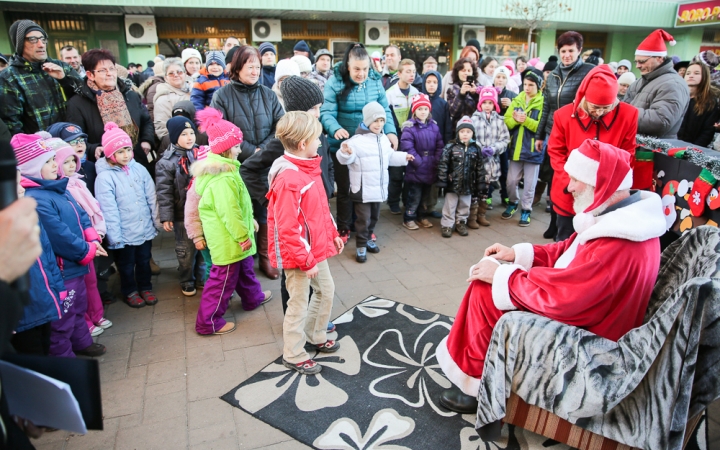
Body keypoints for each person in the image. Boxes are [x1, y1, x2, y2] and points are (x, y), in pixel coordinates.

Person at [435, 140, 667, 414]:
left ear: (600, 182)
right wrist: (517, 255)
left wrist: (502, 276)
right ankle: (482, 371)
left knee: (485, 292)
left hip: (588, 340)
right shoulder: (619, 217)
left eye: (576, 180)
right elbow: (568, 250)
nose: (568, 187)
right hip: (593, 316)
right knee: (493, 281)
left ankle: (473, 387)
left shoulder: (615, 241)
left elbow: (567, 300)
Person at [240, 76, 335, 328]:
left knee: (318, 277)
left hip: (314, 213)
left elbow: (326, 164)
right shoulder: (284, 143)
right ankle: (295, 323)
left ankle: (315, 322)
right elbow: (248, 170)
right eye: (314, 108)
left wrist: (330, 186)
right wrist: (268, 200)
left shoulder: (315, 132)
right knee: (294, 280)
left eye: (319, 108)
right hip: (295, 220)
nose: (318, 113)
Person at [12, 133, 107, 358]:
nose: (56, 165)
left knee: (77, 308)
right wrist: (86, 250)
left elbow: (82, 215)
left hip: (76, 264)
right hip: (65, 268)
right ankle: (67, 362)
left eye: (54, 159)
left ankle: (82, 341)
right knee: (62, 322)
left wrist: (91, 237)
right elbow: (59, 236)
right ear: (32, 168)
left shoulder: (58, 188)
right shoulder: (37, 199)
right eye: (48, 161)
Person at [267, 111, 343, 374]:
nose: (320, 143)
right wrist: (305, 259)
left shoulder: (307, 167)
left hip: (314, 249)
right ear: (302, 144)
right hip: (299, 255)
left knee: (326, 290)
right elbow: (288, 229)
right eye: (316, 139)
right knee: (298, 303)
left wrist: (333, 232)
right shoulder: (289, 178)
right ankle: (294, 353)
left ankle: (315, 334)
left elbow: (320, 207)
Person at [192, 107, 272, 335]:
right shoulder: (223, 179)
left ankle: (252, 297)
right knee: (222, 279)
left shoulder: (229, 170)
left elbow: (240, 206)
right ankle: (208, 322)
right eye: (237, 145)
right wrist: (242, 235)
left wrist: (251, 222)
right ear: (226, 150)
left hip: (236, 235)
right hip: (229, 239)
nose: (240, 149)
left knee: (245, 267)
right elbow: (229, 212)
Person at [211, 45, 285, 279]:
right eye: (249, 66)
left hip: (266, 163)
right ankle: (245, 259)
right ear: (237, 67)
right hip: (236, 163)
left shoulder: (268, 94)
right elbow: (218, 129)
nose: (255, 71)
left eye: (258, 67)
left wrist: (264, 150)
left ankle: (265, 255)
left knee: (265, 209)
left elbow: (280, 126)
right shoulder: (222, 95)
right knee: (241, 211)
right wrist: (250, 150)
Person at [548, 65, 639, 241]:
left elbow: (628, 153)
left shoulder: (629, 115)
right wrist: (572, 181)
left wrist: (612, 184)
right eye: (595, 107)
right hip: (571, 193)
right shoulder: (563, 115)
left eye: (606, 108)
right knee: (565, 241)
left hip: (608, 196)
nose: (599, 112)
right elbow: (556, 152)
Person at [320, 43, 398, 244]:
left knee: (367, 188)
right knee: (346, 190)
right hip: (345, 146)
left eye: (365, 69)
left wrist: (390, 132)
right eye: (356, 69)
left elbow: (384, 110)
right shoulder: (335, 81)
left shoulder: (374, 81)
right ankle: (344, 227)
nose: (361, 73)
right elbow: (326, 112)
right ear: (347, 65)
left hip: (371, 146)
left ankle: (364, 227)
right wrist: (335, 128)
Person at [535, 31, 594, 239]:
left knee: (576, 179)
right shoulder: (553, 76)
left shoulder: (588, 73)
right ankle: (554, 220)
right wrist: (540, 135)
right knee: (554, 178)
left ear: (579, 51)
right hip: (554, 133)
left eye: (571, 50)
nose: (567, 54)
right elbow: (546, 107)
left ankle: (574, 225)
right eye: (563, 51)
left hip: (578, 135)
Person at [95, 123, 160, 308]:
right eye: (120, 151)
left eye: (128, 150)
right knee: (126, 264)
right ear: (110, 154)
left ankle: (145, 287)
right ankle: (130, 290)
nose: (126, 155)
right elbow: (108, 209)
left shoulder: (138, 169)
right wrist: (114, 237)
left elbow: (151, 196)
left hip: (144, 228)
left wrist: (156, 222)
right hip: (124, 234)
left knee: (144, 260)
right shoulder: (105, 178)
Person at [336, 102, 412, 262]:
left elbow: (390, 156)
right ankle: (361, 245)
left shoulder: (383, 139)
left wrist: (403, 157)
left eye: (382, 121)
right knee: (363, 218)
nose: (379, 124)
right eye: (376, 121)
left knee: (374, 217)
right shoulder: (356, 141)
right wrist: (345, 152)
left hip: (378, 188)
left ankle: (368, 239)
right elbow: (345, 158)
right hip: (362, 190)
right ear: (368, 121)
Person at [52, 140, 113, 337]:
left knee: (92, 281)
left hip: (91, 237)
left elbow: (92, 210)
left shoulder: (79, 182)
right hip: (78, 244)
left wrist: (97, 233)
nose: (71, 165)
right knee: (79, 287)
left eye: (73, 161)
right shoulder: (61, 189)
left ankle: (97, 314)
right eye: (66, 162)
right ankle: (85, 321)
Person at [66, 49, 155, 172]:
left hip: (136, 162)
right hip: (104, 166)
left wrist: (146, 140)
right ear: (90, 75)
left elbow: (146, 121)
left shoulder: (130, 95)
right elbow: (75, 137)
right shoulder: (77, 103)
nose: (109, 74)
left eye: (112, 69)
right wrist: (93, 148)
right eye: (103, 70)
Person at [11, 169, 63, 356]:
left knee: (44, 349)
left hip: (42, 301)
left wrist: (57, 288)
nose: (21, 188)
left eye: (20, 182)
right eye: (13, 184)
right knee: (31, 360)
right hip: (19, 316)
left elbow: (47, 254)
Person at [0, 20, 83, 135]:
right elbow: (12, 126)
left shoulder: (61, 66)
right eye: (33, 39)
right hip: (41, 149)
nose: (41, 44)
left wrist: (64, 80)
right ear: (20, 44)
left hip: (75, 142)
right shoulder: (8, 78)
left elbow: (85, 97)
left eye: (43, 39)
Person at [155, 116, 207, 296]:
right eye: (184, 134)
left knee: (203, 245)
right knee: (186, 249)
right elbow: (164, 192)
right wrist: (167, 216)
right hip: (180, 214)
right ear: (174, 136)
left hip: (202, 211)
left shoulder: (201, 154)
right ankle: (186, 279)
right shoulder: (165, 162)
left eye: (192, 133)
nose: (190, 137)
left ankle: (201, 277)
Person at [623, 29, 690, 139]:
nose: (637, 66)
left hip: (655, 151)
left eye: (642, 61)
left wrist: (624, 112)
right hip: (635, 145)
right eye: (636, 62)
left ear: (659, 58)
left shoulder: (673, 84)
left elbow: (661, 121)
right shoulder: (639, 82)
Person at [503, 70, 545, 227]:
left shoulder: (542, 102)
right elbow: (506, 121)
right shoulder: (517, 99)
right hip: (515, 148)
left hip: (534, 150)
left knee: (529, 184)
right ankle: (513, 203)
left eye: (531, 85)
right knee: (511, 181)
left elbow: (542, 126)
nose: (527, 88)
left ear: (538, 85)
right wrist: (514, 120)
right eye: (525, 84)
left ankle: (526, 210)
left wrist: (526, 120)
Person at [400, 94, 444, 230]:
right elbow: (407, 147)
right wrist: (419, 162)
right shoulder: (409, 128)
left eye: (425, 109)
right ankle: (409, 218)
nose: (423, 112)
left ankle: (422, 216)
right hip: (416, 168)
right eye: (420, 109)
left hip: (431, 166)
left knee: (426, 195)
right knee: (414, 196)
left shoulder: (434, 127)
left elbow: (439, 145)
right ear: (414, 111)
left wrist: (436, 160)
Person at [437, 117, 485, 238]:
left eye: (468, 132)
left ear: (473, 133)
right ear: (458, 132)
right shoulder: (451, 147)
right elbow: (443, 164)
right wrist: (442, 179)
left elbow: (479, 166)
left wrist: (480, 181)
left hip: (468, 183)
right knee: (450, 205)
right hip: (452, 183)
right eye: (462, 131)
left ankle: (461, 222)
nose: (465, 134)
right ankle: (447, 224)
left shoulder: (476, 148)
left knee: (465, 205)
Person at [471, 87, 511, 226]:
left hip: (492, 162)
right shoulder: (474, 119)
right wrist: (480, 148)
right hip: (477, 162)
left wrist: (494, 148)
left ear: (495, 104)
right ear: (480, 104)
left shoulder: (499, 121)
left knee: (485, 189)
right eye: (485, 102)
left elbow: (505, 139)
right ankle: (472, 217)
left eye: (490, 103)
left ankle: (481, 214)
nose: (487, 105)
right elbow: (470, 138)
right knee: (475, 188)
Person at [385, 58, 419, 215]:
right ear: (399, 74)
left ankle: (407, 201)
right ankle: (393, 202)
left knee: (410, 172)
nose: (412, 74)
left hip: (412, 139)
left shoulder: (416, 93)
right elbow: (387, 118)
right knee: (396, 173)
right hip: (396, 138)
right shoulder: (390, 94)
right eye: (408, 71)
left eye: (413, 71)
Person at [421, 69, 452, 219]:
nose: (431, 85)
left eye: (434, 82)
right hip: (421, 147)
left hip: (437, 148)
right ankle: (419, 206)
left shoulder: (442, 104)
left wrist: (446, 147)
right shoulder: (419, 101)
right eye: (428, 82)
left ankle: (431, 206)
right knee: (420, 177)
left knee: (434, 178)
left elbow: (447, 127)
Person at [47, 122, 97, 195]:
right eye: (73, 141)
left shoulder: (92, 166)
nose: (80, 145)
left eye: (82, 140)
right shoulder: (59, 174)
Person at [678, 62, 720, 147]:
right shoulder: (677, 96)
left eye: (696, 73)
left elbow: (707, 131)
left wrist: (693, 150)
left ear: (705, 76)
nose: (691, 76)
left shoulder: (710, 102)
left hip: (692, 149)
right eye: (688, 73)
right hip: (669, 145)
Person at [153, 57, 191, 139]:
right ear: (166, 78)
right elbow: (162, 131)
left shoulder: (196, 90)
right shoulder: (163, 98)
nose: (176, 75)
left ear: (185, 73)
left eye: (179, 72)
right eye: (171, 73)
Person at [447, 57, 480, 131]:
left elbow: (483, 109)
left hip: (476, 127)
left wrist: (475, 95)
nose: (466, 73)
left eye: (469, 70)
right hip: (458, 128)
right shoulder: (452, 89)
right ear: (457, 72)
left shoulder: (479, 88)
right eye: (463, 70)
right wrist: (461, 95)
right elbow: (453, 113)